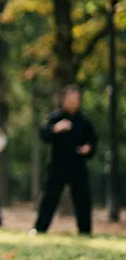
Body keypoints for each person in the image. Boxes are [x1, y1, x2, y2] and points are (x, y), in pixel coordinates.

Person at [34, 85, 97, 235]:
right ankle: (40, 229)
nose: (73, 103)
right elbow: (43, 133)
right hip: (57, 165)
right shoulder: (54, 118)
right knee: (49, 197)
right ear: (63, 100)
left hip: (78, 165)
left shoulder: (84, 122)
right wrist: (55, 129)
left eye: (76, 99)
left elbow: (93, 141)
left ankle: (85, 231)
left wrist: (88, 149)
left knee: (82, 199)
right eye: (70, 99)